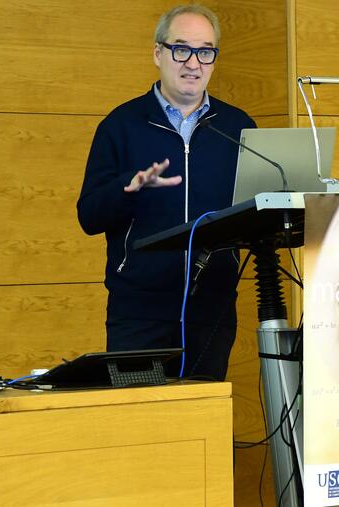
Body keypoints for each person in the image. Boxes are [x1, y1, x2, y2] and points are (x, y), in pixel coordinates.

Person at [77, 4, 255, 380]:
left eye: (205, 51)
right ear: (158, 53)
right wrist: (128, 189)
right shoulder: (121, 125)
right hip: (140, 310)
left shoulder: (238, 128)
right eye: (181, 49)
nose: (193, 63)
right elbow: (89, 216)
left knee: (200, 429)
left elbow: (253, 211)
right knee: (144, 430)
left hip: (213, 309)